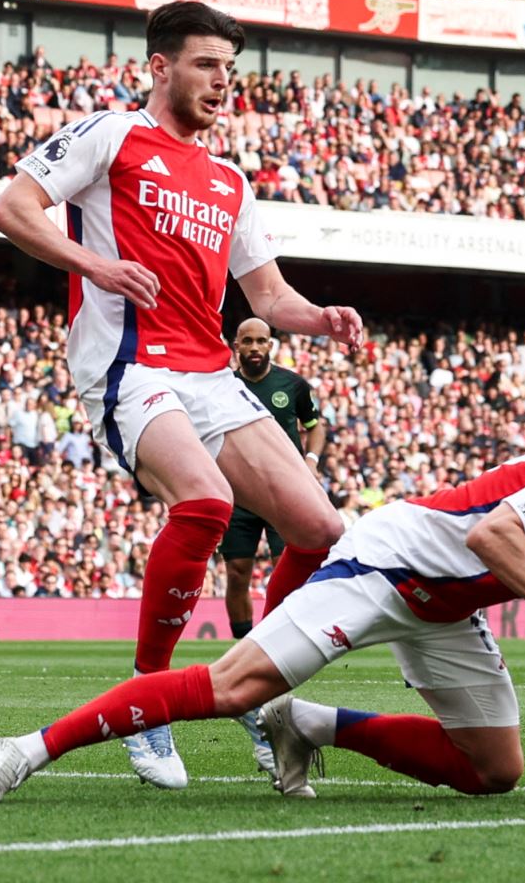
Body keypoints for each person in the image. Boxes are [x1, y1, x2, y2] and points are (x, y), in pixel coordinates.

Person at [0, 431, 525, 806]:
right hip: (394, 565)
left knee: (496, 771)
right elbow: (496, 533)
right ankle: (26, 749)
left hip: (454, 605)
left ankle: (308, 725)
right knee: (235, 685)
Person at [0, 1, 361, 790]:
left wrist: (320, 319)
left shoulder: (229, 179)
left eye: (230, 68)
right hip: (130, 365)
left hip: (209, 372)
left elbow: (268, 293)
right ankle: (148, 704)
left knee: (320, 528)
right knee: (205, 504)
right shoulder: (111, 134)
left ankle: (256, 687)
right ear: (160, 67)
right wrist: (95, 266)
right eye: (206, 65)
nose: (223, 82)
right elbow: (11, 208)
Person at [219, 316, 329, 771]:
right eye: (247, 340)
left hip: (284, 491)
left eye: (262, 339)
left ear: (272, 344)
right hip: (239, 493)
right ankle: (247, 645)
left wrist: (311, 458)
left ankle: (280, 642)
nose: (255, 346)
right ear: (237, 345)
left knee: (290, 567)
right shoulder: (221, 385)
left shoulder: (293, 384)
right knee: (238, 573)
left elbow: (315, 424)